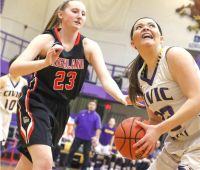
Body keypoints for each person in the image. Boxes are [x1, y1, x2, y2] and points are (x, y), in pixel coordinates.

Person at [9, 1, 131, 169]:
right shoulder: (45, 40)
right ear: (61, 14)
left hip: (62, 108)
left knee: (28, 162)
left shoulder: (89, 46)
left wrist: (122, 97)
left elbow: (106, 79)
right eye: (74, 11)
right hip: (36, 102)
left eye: (83, 13)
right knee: (44, 162)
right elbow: (14, 69)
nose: (79, 16)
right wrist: (45, 62)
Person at [127, 17, 200, 170]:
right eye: (139, 27)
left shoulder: (174, 55)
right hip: (176, 143)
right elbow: (155, 118)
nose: (145, 28)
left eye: (151, 25)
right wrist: (145, 136)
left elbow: (198, 101)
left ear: (161, 38)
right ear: (133, 43)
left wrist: (158, 130)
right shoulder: (141, 77)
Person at [0, 57, 28, 153]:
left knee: (2, 142)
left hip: (9, 113)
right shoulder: (3, 80)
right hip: (0, 109)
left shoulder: (24, 83)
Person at [66, 100, 101, 169]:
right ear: (88, 105)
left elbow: (98, 129)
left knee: (86, 154)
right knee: (72, 150)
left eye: (93, 105)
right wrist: (73, 131)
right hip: (78, 136)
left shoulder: (97, 116)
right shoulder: (81, 112)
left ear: (95, 107)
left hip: (89, 139)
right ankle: (67, 165)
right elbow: (76, 123)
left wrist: (96, 138)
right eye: (90, 104)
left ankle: (84, 168)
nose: (91, 106)